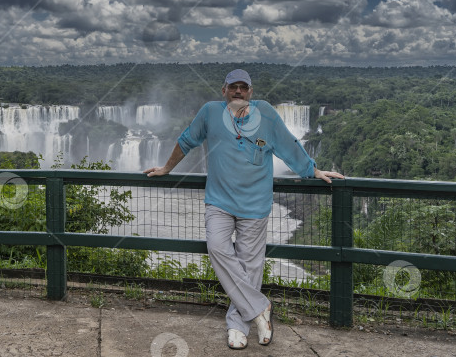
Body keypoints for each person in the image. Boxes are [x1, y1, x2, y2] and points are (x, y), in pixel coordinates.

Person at [144, 69, 343, 350]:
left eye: (243, 87)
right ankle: (261, 308)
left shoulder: (266, 114)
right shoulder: (210, 112)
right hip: (220, 201)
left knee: (250, 265)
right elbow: (186, 140)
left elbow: (288, 145)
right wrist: (166, 168)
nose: (238, 91)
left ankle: (237, 327)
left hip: (255, 204)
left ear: (250, 91)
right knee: (216, 246)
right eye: (232, 87)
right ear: (223, 90)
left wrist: (313, 170)